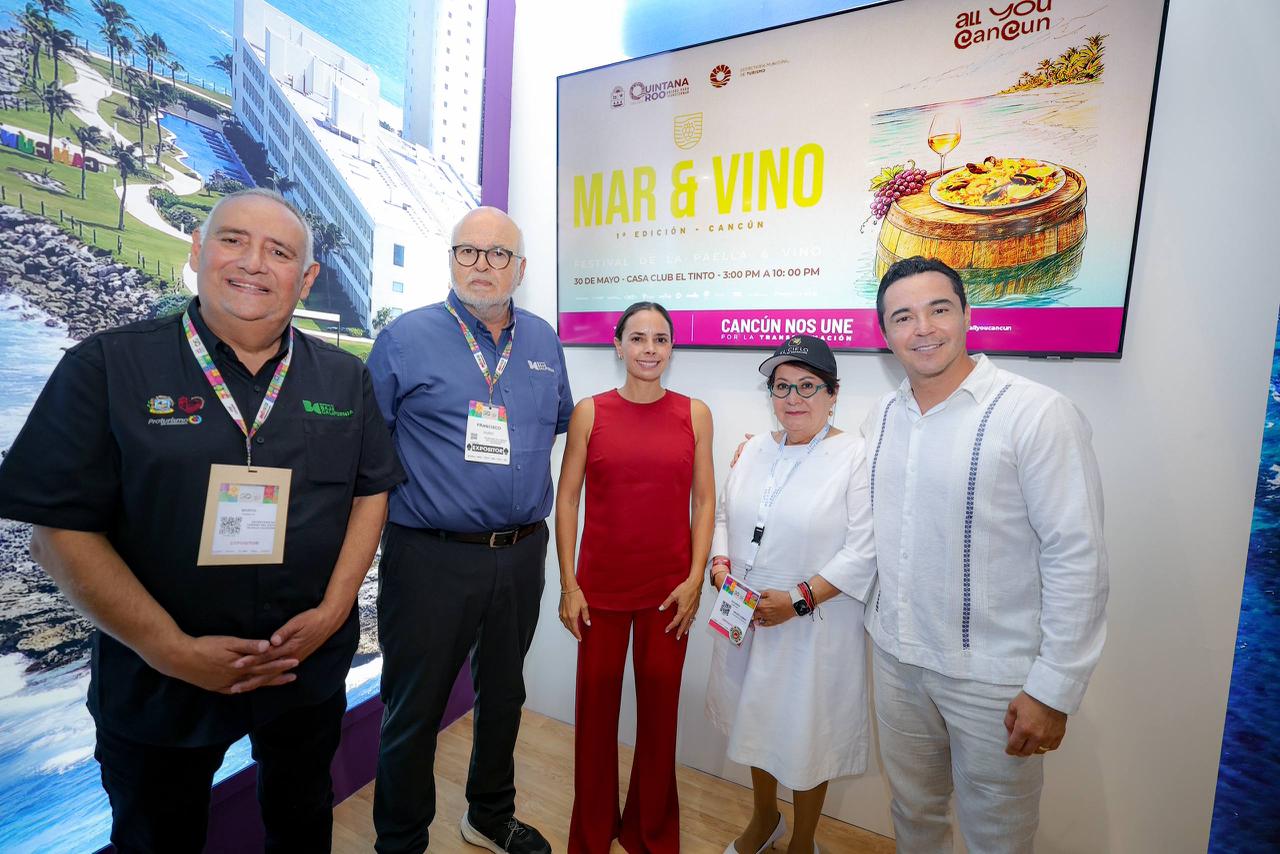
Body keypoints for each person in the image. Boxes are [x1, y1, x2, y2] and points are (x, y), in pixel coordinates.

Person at [0, 188, 404, 853]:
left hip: (300, 668)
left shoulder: (343, 379)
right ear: (197, 250)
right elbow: (57, 534)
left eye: (279, 252)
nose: (254, 263)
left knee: (303, 826)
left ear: (306, 278)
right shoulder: (107, 366)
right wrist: (170, 649)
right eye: (233, 240)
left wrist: (335, 611)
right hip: (159, 682)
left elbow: (371, 492)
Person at [864, 256, 1108, 852]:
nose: (923, 328)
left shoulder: (1036, 413)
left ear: (968, 314)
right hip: (897, 663)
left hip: (994, 682)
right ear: (886, 332)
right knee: (913, 815)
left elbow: (1077, 556)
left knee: (997, 838)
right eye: (903, 317)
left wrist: (1053, 689)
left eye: (938, 309)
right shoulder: (882, 417)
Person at [368, 207, 573, 854]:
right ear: (452, 258)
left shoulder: (542, 342)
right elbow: (368, 451)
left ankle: (488, 814)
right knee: (415, 708)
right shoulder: (404, 339)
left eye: (499, 254)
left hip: (521, 553)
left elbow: (559, 424)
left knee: (505, 694)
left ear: (521, 268)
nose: (483, 265)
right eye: (469, 251)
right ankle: (400, 842)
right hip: (431, 556)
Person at [705, 334, 877, 854]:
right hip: (747, 615)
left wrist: (799, 599)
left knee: (807, 734)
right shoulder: (755, 448)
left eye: (807, 386)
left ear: (833, 393)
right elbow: (726, 515)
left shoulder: (855, 456)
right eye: (781, 387)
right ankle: (765, 819)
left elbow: (864, 548)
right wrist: (720, 565)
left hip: (812, 624)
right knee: (753, 720)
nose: (793, 398)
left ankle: (803, 840)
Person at [555, 302, 715, 853]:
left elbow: (705, 501)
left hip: (669, 593)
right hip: (598, 591)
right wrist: (569, 584)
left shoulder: (695, 414)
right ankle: (592, 832)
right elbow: (567, 499)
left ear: (672, 347)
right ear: (618, 345)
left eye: (661, 339)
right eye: (639, 338)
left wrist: (695, 579)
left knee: (660, 721)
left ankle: (651, 834)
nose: (650, 349)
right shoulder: (589, 412)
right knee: (595, 718)